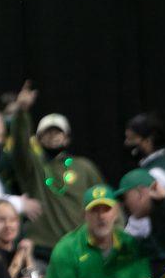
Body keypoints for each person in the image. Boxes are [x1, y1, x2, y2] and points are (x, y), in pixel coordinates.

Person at [8, 89, 103, 259]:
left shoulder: (84, 167)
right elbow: (19, 146)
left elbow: (105, 202)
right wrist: (21, 111)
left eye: (57, 132)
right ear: (37, 139)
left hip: (79, 248)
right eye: (47, 132)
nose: (52, 136)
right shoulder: (33, 167)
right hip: (40, 250)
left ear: (67, 138)